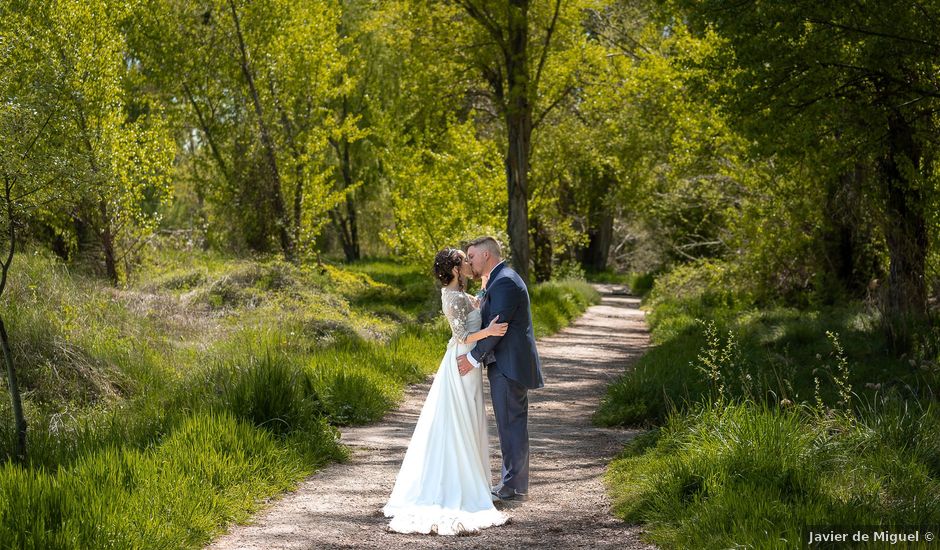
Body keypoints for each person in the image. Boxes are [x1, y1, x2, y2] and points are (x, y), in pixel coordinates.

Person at [382, 247, 510, 535]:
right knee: (459, 422)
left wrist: (484, 288)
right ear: (454, 269)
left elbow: (475, 306)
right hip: (462, 361)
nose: (468, 263)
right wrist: (488, 332)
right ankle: (460, 484)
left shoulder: (460, 294)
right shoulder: (451, 298)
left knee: (471, 418)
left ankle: (473, 478)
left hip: (469, 362)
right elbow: (462, 335)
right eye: (463, 261)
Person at [457, 236, 543, 501]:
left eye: (471, 256)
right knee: (509, 424)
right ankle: (512, 483)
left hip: (508, 364)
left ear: (486, 255)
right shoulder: (498, 279)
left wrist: (472, 358)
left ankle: (514, 487)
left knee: (511, 425)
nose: (469, 261)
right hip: (505, 363)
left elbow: (499, 328)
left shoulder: (505, 280)